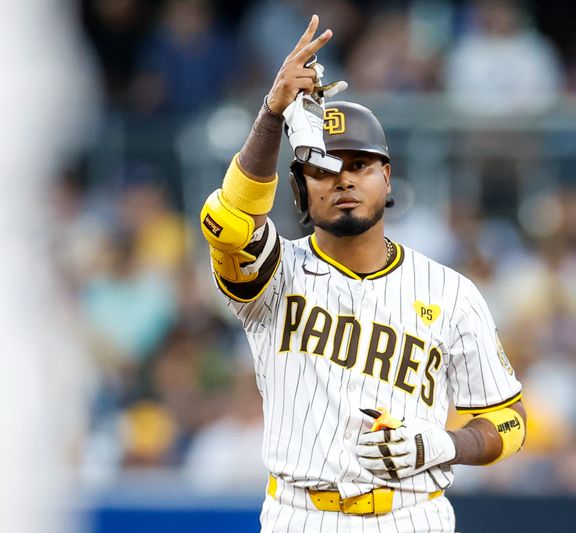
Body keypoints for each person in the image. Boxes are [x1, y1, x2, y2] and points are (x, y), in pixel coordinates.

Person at [199, 15, 526, 532]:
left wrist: (444, 444)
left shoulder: (451, 291)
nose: (343, 178)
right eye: (323, 168)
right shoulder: (275, 272)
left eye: (360, 164)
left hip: (412, 515)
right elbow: (230, 224)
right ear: (300, 189)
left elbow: (509, 422)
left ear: (386, 175)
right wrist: (271, 114)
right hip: (299, 514)